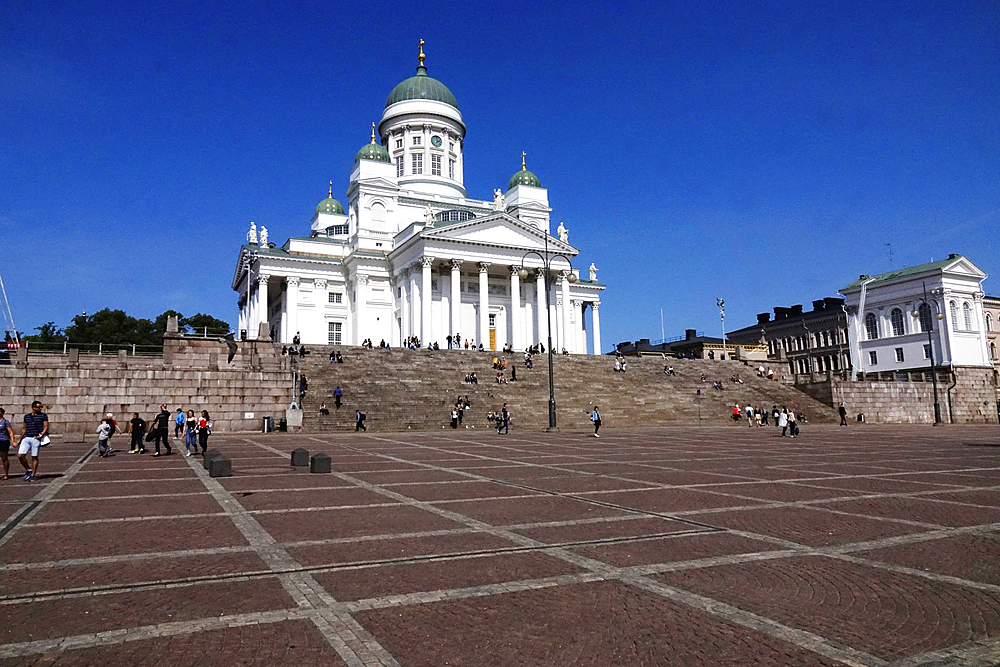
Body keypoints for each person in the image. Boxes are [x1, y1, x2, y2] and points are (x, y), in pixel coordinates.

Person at [17, 400, 48, 482]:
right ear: (34, 408)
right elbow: (24, 428)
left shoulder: (43, 416)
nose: (41, 408)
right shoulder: (27, 416)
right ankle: (28, 469)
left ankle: (33, 474)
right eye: (39, 407)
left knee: (34, 457)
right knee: (20, 455)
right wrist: (19, 439)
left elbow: (46, 427)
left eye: (41, 407)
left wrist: (40, 435)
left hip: (35, 438)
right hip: (27, 437)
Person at [0, 407, 13, 479]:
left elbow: (10, 432)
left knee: (4, 458)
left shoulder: (5, 422)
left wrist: (12, 441)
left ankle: (6, 473)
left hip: (3, 440)